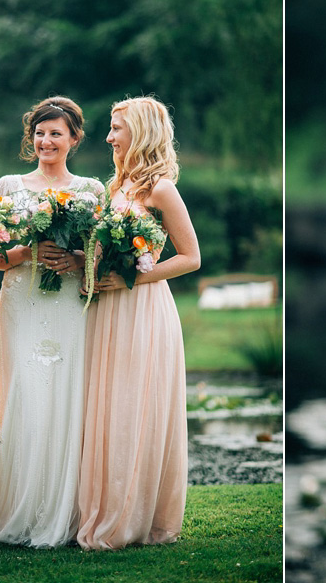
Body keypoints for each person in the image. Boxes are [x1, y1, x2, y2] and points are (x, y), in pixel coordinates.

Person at [77, 95, 200, 550]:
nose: (108, 136)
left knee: (134, 407)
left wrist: (135, 277)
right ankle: (104, 506)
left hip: (143, 310)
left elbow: (191, 257)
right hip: (107, 310)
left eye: (116, 128)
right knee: (107, 408)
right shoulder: (114, 189)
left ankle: (133, 517)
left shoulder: (161, 189)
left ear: (142, 132)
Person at [0, 96, 103, 547]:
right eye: (39, 132)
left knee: (66, 392)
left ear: (74, 138)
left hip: (69, 303)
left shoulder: (92, 189)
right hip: (22, 299)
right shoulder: (9, 184)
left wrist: (75, 259)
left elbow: (99, 254)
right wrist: (29, 253)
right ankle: (19, 507)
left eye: (56, 133)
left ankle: (66, 511)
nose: (46, 140)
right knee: (25, 392)